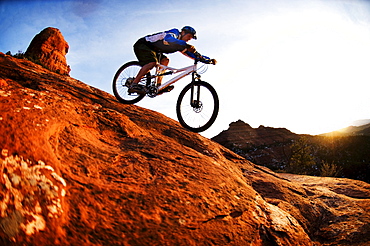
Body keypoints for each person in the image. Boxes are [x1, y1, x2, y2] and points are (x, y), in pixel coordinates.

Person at [129, 26, 216, 94]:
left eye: (190, 38)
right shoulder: (174, 33)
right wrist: (185, 45)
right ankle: (134, 85)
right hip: (143, 44)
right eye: (189, 36)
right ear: (183, 32)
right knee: (152, 62)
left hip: (155, 51)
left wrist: (207, 60)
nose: (189, 39)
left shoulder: (180, 45)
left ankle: (158, 86)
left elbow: (192, 55)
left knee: (165, 60)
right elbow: (169, 38)